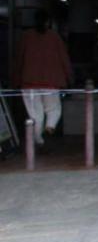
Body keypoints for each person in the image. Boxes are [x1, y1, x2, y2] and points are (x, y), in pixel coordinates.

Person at [12, 9, 73, 151]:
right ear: (48, 22)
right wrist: (70, 78)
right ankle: (49, 128)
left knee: (35, 114)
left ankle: (38, 140)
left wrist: (15, 80)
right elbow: (64, 59)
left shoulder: (26, 37)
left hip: (29, 83)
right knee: (54, 110)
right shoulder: (55, 37)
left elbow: (18, 60)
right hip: (51, 83)